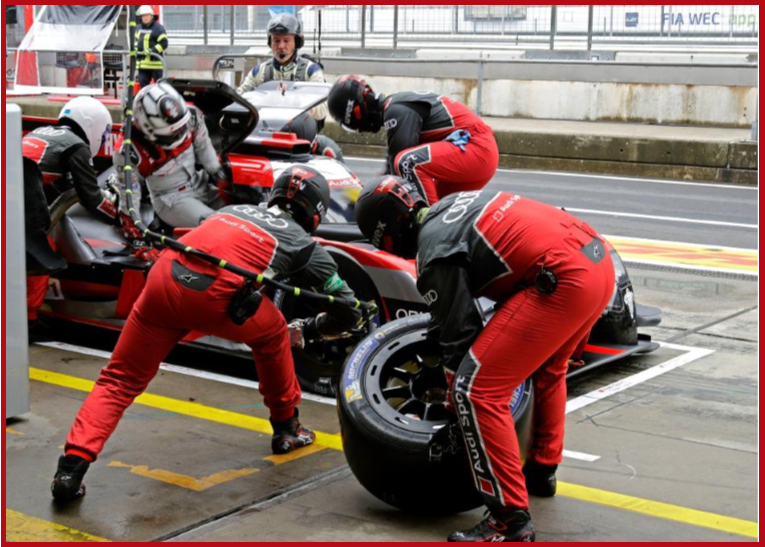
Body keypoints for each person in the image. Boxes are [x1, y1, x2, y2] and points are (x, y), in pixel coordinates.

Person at [51, 166, 364, 503]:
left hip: (164, 279)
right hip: (215, 296)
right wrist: (312, 328)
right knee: (273, 331)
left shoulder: (231, 211)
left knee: (119, 379)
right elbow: (349, 308)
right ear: (316, 212)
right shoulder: (303, 245)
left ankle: (71, 469)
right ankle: (287, 427)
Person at [354, 177, 616, 542]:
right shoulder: (453, 204)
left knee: (475, 390)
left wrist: (452, 406)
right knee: (548, 369)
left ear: (385, 233)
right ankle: (542, 471)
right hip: (599, 261)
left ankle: (508, 520)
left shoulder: (433, 251)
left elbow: (459, 336)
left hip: (563, 276)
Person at [23, 97, 149, 326]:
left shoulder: (39, 132)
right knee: (41, 251)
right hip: (21, 207)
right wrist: (121, 219)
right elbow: (91, 198)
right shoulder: (76, 146)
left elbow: (56, 183)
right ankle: (27, 320)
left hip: (16, 199)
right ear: (92, 124)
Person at [328, 76, 500, 206]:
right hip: (477, 150)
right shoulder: (397, 104)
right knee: (444, 208)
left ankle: (428, 233)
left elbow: (396, 170)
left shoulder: (395, 109)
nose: (360, 131)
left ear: (355, 113)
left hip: (475, 147)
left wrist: (360, 197)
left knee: (406, 164)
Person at [115, 81, 230, 228]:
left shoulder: (192, 116)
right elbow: (130, 197)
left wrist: (220, 176)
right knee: (220, 226)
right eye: (171, 132)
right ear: (146, 128)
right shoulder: (128, 150)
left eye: (180, 127)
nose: (178, 134)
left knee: (244, 212)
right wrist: (133, 227)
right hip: (170, 200)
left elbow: (204, 147)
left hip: (201, 183)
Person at [236, 13, 329, 126]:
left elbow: (322, 111)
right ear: (270, 42)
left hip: (300, 136)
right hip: (266, 133)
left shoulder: (311, 70)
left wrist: (294, 101)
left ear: (297, 42)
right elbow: (239, 99)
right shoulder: (260, 71)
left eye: (286, 40)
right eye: (276, 40)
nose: (281, 46)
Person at [135, 5, 168, 89]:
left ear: (151, 16)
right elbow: (136, 41)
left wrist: (152, 50)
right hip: (142, 66)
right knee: (144, 89)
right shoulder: (138, 28)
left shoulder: (159, 28)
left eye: (146, 15)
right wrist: (135, 49)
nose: (145, 18)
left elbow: (164, 43)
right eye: (143, 16)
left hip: (155, 66)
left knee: (159, 88)